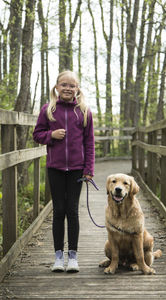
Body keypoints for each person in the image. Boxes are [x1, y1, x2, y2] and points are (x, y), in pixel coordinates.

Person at [33, 70, 95, 273]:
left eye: (72, 85)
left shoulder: (84, 111)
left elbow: (89, 142)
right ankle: (58, 256)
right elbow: (37, 135)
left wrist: (89, 169)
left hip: (77, 169)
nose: (68, 88)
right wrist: (52, 134)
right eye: (64, 85)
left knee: (73, 211)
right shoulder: (48, 109)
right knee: (59, 211)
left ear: (77, 88)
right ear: (56, 87)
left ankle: (73, 256)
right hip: (55, 168)